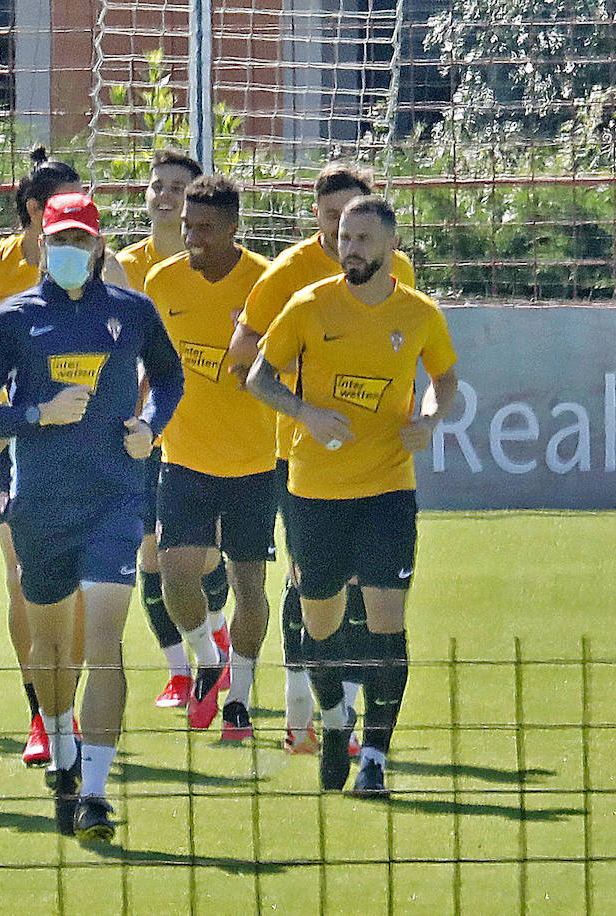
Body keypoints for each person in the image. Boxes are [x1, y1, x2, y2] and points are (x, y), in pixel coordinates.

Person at [0, 192, 184, 841]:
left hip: (116, 499)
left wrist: (152, 424)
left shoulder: (132, 312)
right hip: (40, 507)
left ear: (99, 247)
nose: (68, 251)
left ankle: (93, 793)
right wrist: (36, 415)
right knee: (53, 649)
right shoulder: (12, 320)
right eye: (57, 239)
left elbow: (170, 379)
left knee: (105, 642)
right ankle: (61, 749)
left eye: (80, 240)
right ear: (41, 244)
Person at [246, 195, 458, 796]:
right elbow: (260, 376)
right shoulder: (309, 305)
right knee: (321, 622)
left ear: (390, 246)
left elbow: (446, 380)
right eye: (344, 237)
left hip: (388, 488)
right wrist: (304, 410)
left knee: (388, 622)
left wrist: (430, 417)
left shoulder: (417, 313)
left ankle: (376, 759)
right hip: (314, 490)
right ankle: (335, 716)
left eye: (363, 238)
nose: (350, 248)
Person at [0, 148, 122, 764]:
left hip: (75, 449)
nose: (80, 225)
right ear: (33, 212)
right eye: (66, 209)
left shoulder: (104, 266)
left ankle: (47, 714)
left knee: (39, 580)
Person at [228, 163, 416, 754]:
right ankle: (299, 715)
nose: (343, 235)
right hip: (303, 459)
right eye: (333, 220)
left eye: (354, 221)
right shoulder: (290, 275)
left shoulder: (398, 274)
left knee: (372, 594)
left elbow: (409, 347)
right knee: (308, 590)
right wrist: (306, 407)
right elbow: (241, 361)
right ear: (316, 216)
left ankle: (351, 720)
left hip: (380, 458)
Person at [143, 175, 274, 739]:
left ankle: (239, 698)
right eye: (187, 226)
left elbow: (287, 366)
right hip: (183, 456)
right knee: (174, 577)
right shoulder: (161, 282)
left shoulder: (266, 285)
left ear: (234, 229)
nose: (192, 239)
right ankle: (207, 658)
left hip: (254, 463)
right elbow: (153, 366)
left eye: (206, 229)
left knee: (249, 588)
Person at [115, 149, 232, 711]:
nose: (164, 195)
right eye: (155, 185)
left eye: (177, 188)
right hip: (143, 432)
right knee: (149, 553)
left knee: (205, 557)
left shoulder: (224, 268)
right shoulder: (123, 266)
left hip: (205, 435)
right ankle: (180, 672)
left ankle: (215, 636)